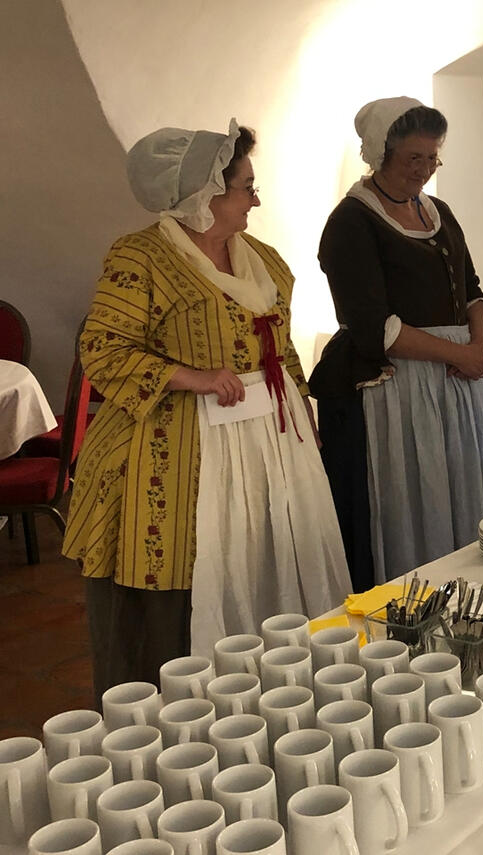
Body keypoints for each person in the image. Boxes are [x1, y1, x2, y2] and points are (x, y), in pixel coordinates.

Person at [63, 120, 351, 695]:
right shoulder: (140, 257)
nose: (255, 197)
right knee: (180, 584)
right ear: (204, 195)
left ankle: (272, 700)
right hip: (173, 449)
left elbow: (280, 344)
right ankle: (170, 719)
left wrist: (303, 412)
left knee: (266, 567)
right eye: (246, 185)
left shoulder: (263, 260)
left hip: (270, 446)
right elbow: (102, 348)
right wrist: (189, 376)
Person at [309, 97, 483, 588]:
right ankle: (417, 603)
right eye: (413, 159)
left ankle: (477, 594)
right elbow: (374, 327)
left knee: (464, 492)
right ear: (380, 154)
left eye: (432, 158)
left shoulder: (437, 210)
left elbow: (473, 290)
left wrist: (479, 346)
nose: (424, 171)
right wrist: (461, 354)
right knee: (414, 499)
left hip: (459, 381)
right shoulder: (351, 223)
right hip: (398, 388)